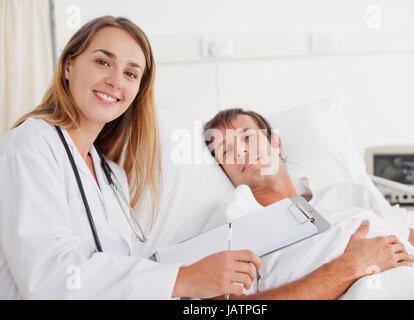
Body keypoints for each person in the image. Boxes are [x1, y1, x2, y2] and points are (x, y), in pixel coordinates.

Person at [0, 16, 262, 299]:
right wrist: (183, 279)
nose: (115, 81)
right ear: (68, 66)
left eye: (130, 74)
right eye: (103, 62)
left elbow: (120, 275)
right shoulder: (29, 146)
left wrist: (201, 275)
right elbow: (50, 278)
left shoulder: (112, 175)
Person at [203, 108, 414, 299]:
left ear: (275, 142)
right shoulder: (235, 221)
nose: (241, 152)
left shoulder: (351, 194)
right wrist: (350, 266)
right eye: (226, 150)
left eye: (247, 137)